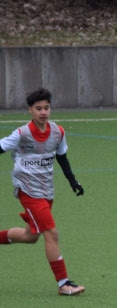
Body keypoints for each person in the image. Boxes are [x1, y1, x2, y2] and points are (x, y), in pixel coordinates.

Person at [0, 88, 85, 295]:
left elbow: (62, 158)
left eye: (46, 108)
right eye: (38, 108)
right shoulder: (21, 134)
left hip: (46, 191)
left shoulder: (58, 132)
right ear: (30, 110)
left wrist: (73, 181)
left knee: (31, 236)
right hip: (28, 191)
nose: (43, 112)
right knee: (51, 233)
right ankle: (63, 284)